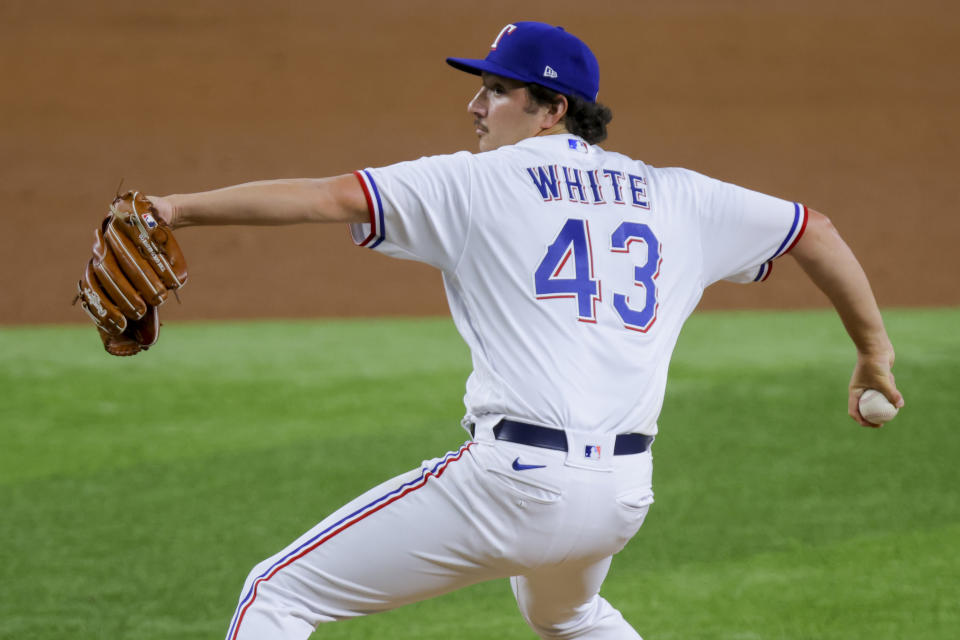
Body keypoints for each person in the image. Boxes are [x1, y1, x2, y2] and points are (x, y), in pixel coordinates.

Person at [148, 21, 903, 640]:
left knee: (276, 595)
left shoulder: (476, 182)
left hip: (513, 486)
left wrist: (175, 210)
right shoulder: (677, 197)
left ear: (551, 109)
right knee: (569, 615)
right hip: (619, 497)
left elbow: (325, 198)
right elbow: (813, 229)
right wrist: (873, 351)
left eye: (496, 90)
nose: (476, 106)